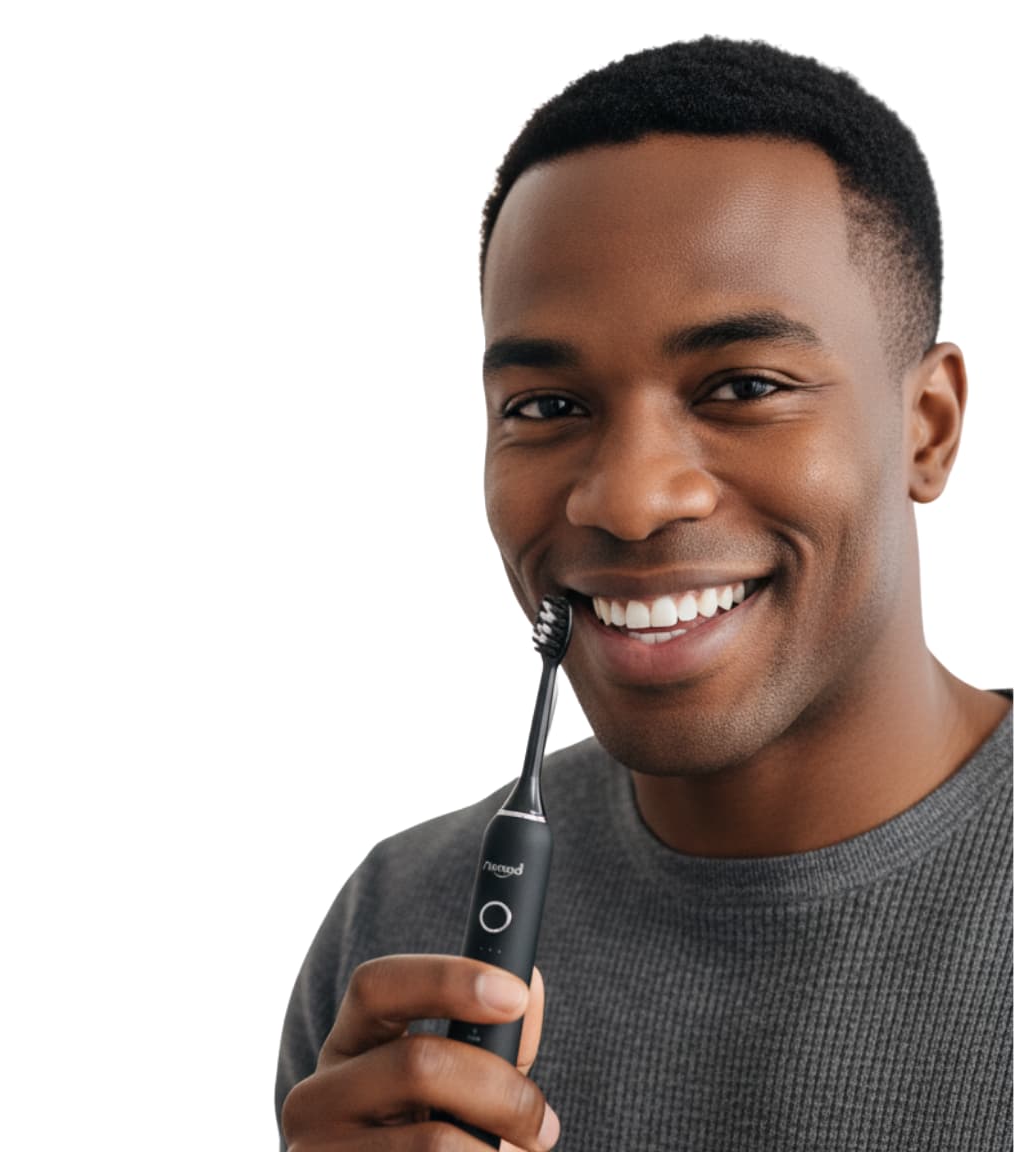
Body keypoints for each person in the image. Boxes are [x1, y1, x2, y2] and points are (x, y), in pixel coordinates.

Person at [275, 37, 1012, 1151]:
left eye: (744, 386)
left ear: (928, 426)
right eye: (546, 407)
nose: (625, 500)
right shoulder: (398, 930)